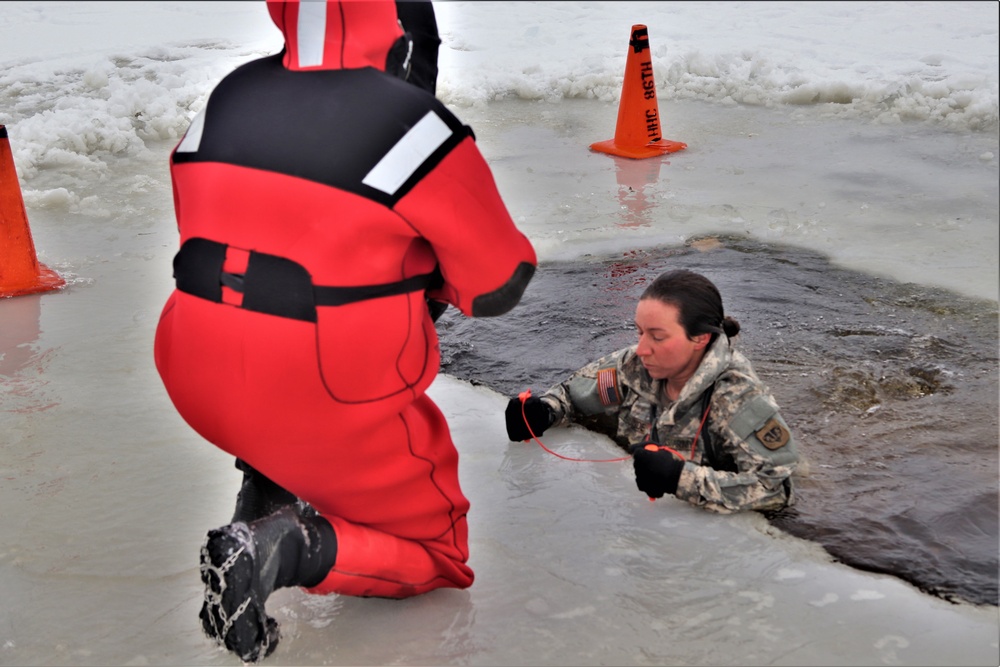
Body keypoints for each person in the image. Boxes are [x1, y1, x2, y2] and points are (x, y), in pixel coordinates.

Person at [153, 0, 536, 662]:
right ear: (403, 33)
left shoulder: (228, 93)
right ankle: (287, 544)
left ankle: (267, 483)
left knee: (263, 305)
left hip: (195, 373)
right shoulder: (415, 125)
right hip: (326, 386)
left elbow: (213, 226)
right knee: (438, 557)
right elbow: (498, 284)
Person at [504, 269, 798, 514]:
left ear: (700, 338)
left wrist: (680, 478)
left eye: (657, 337)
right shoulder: (634, 366)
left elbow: (777, 490)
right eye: (639, 332)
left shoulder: (738, 399)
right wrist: (544, 411)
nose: (642, 349)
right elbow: (573, 396)